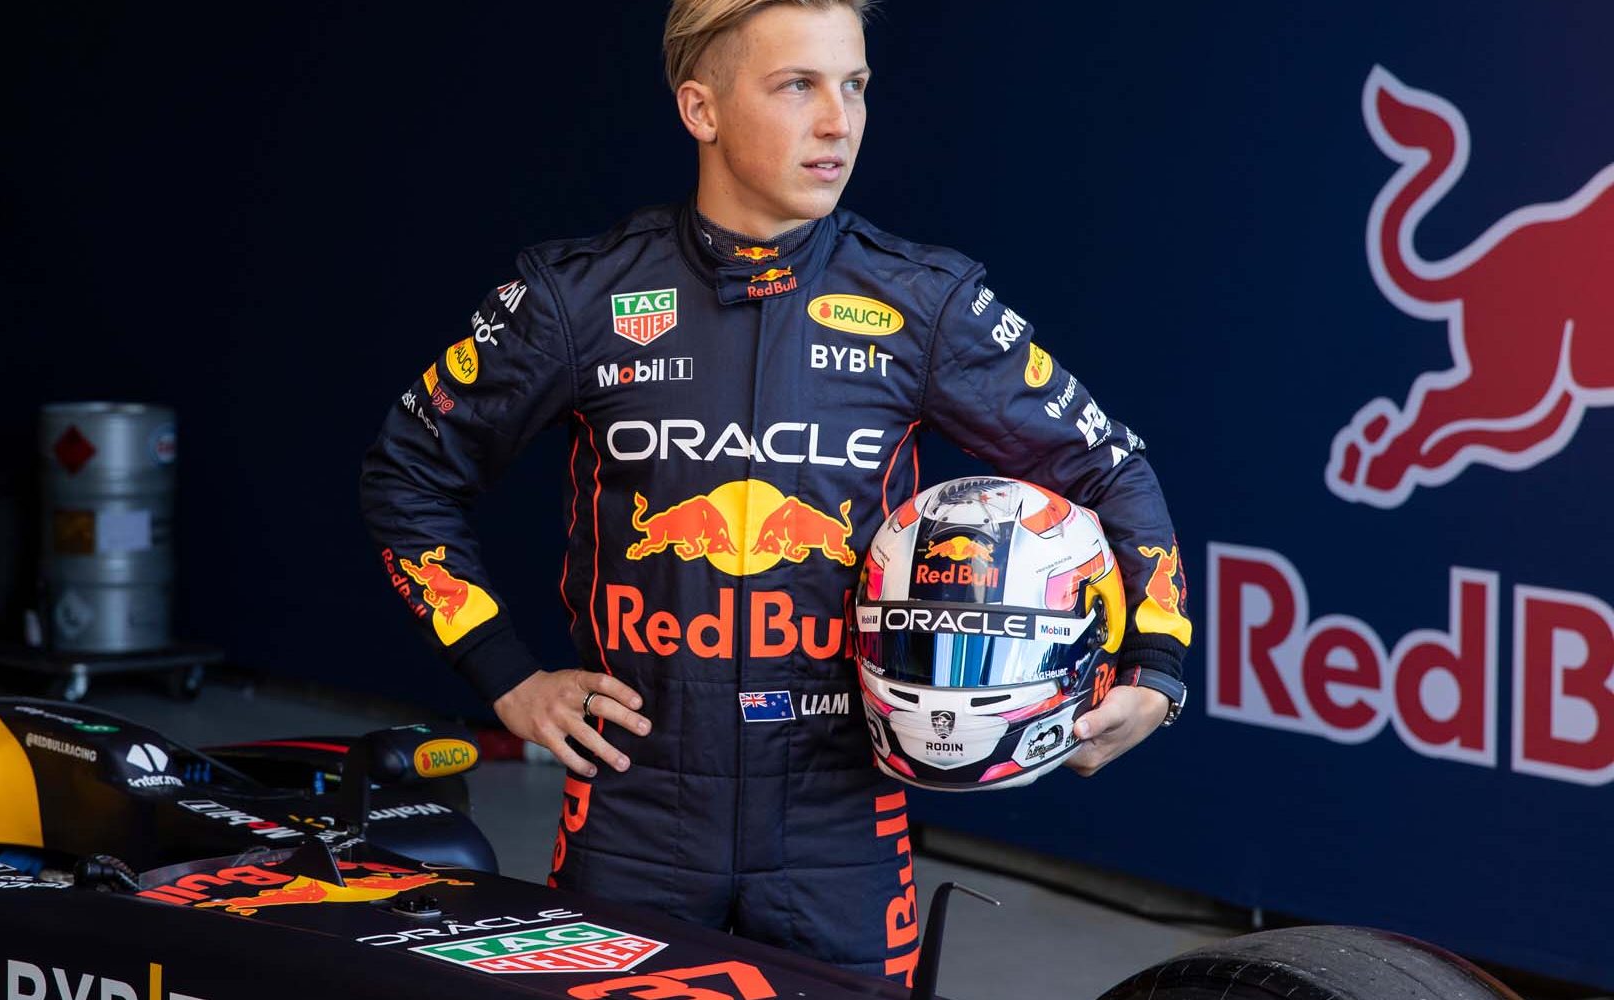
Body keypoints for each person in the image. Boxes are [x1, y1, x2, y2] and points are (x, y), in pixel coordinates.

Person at [360, 0, 1192, 983]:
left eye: (855, 86)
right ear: (700, 109)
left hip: (841, 814)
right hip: (634, 805)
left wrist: (1159, 670)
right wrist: (504, 673)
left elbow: (1110, 464)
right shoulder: (579, 298)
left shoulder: (922, 302)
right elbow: (408, 470)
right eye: (798, 85)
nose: (839, 121)